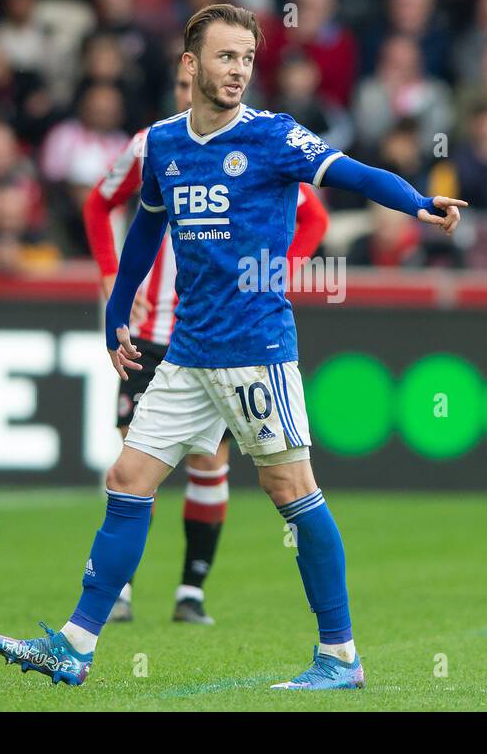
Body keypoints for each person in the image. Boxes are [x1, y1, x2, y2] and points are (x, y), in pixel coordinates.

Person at [0, 3, 465, 689]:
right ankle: (75, 643)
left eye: (246, 58)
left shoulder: (274, 137)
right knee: (126, 479)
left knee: (291, 488)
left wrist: (419, 202)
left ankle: (340, 656)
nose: (238, 70)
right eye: (225, 56)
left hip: (254, 349)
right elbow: (146, 230)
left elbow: (355, 174)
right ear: (191, 65)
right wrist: (116, 314)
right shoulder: (163, 144)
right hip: (185, 351)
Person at [82, 60, 329, 625]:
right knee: (131, 464)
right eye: (174, 84)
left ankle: (191, 591)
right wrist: (110, 276)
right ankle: (114, 596)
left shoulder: (254, 142)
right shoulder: (155, 143)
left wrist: (276, 270)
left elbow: (313, 215)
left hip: (219, 336)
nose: (182, 92)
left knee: (211, 463)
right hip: (151, 331)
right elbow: (101, 203)